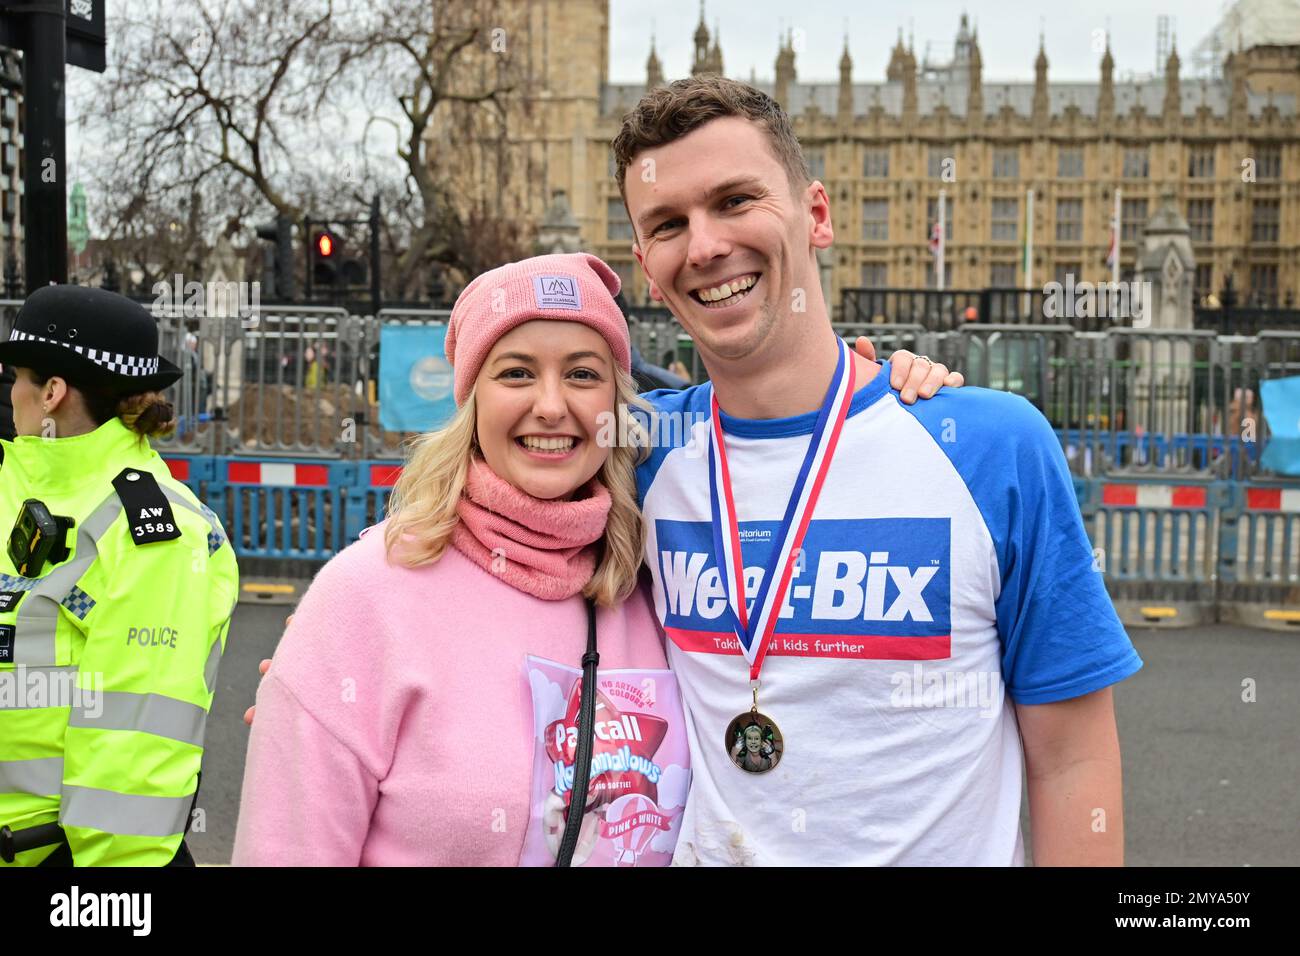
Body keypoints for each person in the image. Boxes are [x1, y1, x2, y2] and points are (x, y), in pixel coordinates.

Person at [234, 253, 956, 866]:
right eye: (516, 373)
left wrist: (873, 386)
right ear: (470, 401)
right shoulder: (366, 598)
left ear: (617, 399)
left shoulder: (653, 583)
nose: (552, 406)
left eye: (582, 374)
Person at [613, 75, 1143, 865]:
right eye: (667, 223)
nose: (704, 245)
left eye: (734, 201)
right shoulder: (639, 454)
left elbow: (1072, 760)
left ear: (815, 215)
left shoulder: (990, 447)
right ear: (645, 266)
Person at [0, 285, 238, 866]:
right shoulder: (20, 481)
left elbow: (130, 763)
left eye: (17, 378)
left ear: (52, 393)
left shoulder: (156, 532)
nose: (9, 394)